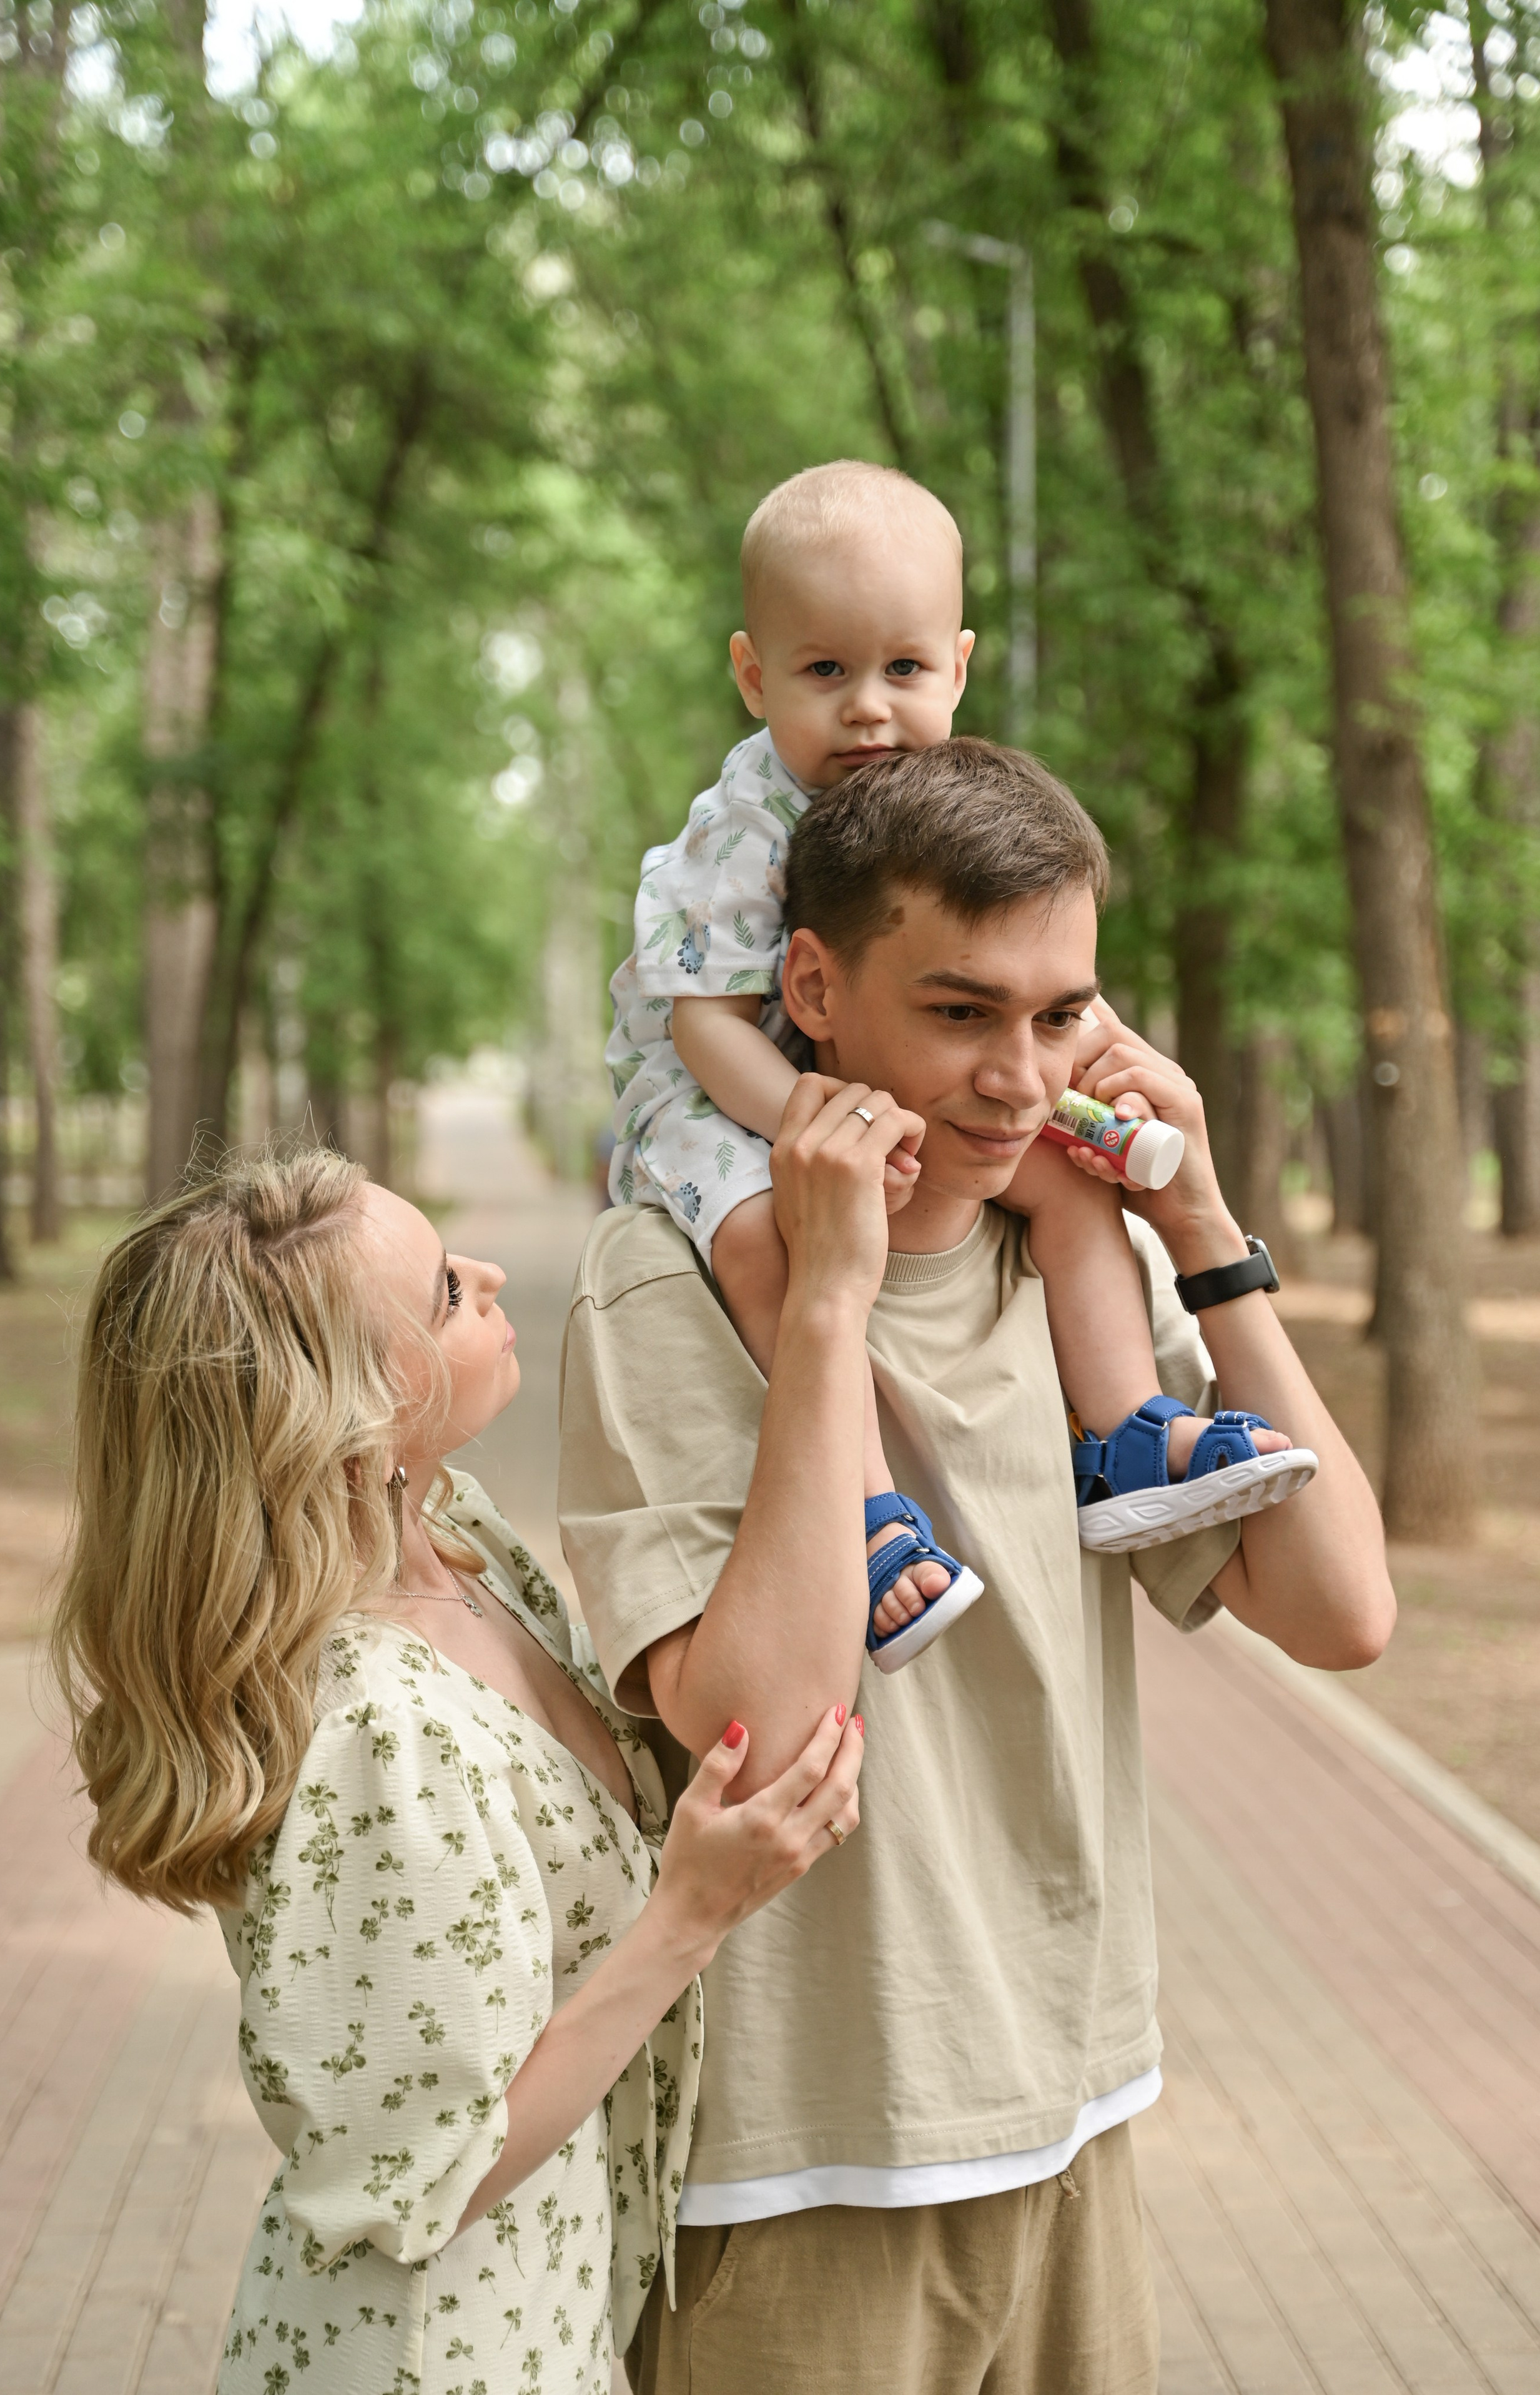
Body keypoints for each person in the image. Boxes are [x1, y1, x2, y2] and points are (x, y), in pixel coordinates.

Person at [560, 739, 1395, 2395]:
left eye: (1064, 1010)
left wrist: (1211, 1231)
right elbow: (761, 1729)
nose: (1024, 1075)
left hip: (1077, 2123)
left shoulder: (1077, 1280)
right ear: (813, 986)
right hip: (807, 2176)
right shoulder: (667, 1284)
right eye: (960, 1013)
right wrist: (827, 1306)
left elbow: (1343, 1611)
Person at [47, 1148, 865, 2395]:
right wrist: (690, 1913)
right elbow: (428, 2174)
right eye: (442, 1292)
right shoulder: (377, 1733)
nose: (488, 1274)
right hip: (437, 2359)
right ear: (362, 1418)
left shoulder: (459, 1541)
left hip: (543, 2312)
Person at [605, 460, 1310, 1676]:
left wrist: (1091, 1088)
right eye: (824, 672)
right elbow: (701, 1024)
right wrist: (815, 1128)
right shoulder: (738, 832)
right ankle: (871, 1513)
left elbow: (1022, 970)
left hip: (858, 1088)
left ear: (958, 666)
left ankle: (1125, 1427)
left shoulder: (942, 809)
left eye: (904, 670)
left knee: (1070, 1187)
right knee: (767, 1239)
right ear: (752, 673)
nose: (869, 709)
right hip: (717, 1091)